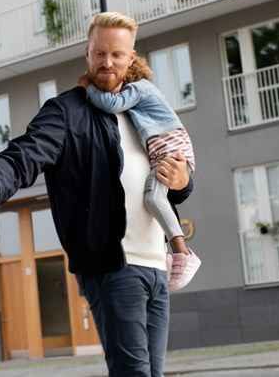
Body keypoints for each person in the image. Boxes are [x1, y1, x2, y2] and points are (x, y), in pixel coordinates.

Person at [0, 12, 193, 377]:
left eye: (116, 55)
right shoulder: (66, 112)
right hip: (114, 266)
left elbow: (170, 188)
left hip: (156, 264)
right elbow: (21, 158)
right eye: (99, 54)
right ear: (87, 53)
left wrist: (182, 180)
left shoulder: (142, 110)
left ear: (131, 57)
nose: (107, 63)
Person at [76, 56, 201, 291]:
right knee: (153, 196)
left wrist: (88, 87)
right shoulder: (139, 103)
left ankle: (183, 253)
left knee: (153, 197)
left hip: (170, 149)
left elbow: (112, 104)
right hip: (165, 150)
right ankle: (165, 253)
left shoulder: (140, 89)